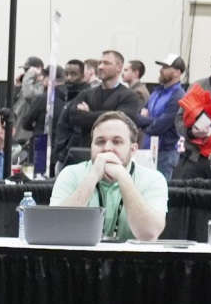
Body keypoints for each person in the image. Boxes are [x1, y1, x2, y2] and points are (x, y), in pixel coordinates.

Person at [48, 111, 168, 240]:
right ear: (91, 146)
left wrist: (123, 177)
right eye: (100, 142)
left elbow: (148, 234)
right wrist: (93, 177)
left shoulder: (153, 179)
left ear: (133, 150)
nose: (107, 148)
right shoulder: (70, 174)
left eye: (116, 142)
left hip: (131, 254)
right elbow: (56, 228)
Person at [145, 57, 188, 171]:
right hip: (149, 149)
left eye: (165, 67)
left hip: (166, 153)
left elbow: (160, 126)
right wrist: (153, 121)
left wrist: (146, 123)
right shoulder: (157, 92)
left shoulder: (178, 96)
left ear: (177, 72)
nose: (161, 70)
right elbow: (138, 116)